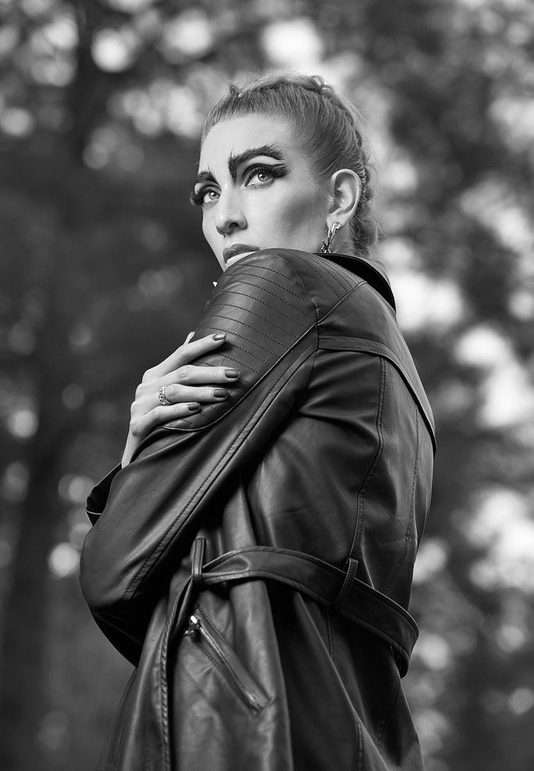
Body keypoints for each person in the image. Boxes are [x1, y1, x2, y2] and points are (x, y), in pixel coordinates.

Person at [80, 73, 435, 771]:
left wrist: (137, 458)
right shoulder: (399, 374)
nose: (226, 216)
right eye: (209, 191)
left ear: (339, 198)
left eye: (260, 175)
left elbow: (112, 572)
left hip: (244, 733)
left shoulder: (283, 283)